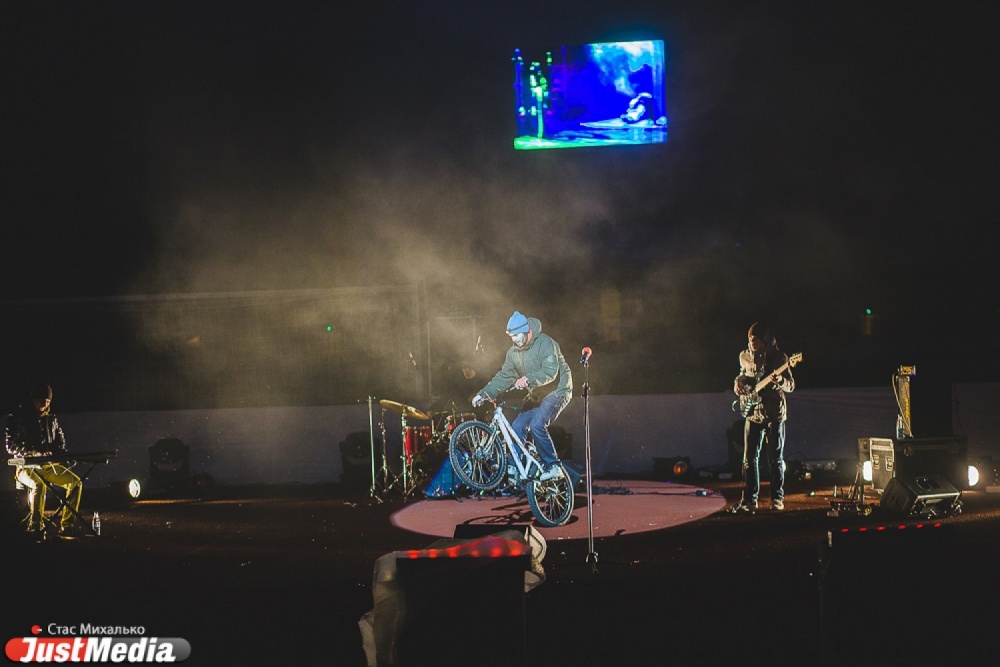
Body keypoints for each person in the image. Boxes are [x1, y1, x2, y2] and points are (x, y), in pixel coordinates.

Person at [472, 311, 572, 481]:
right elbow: (504, 376)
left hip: (558, 391)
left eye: (517, 335)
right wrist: (484, 394)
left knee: (537, 424)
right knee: (517, 424)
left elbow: (550, 372)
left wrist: (529, 379)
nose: (515, 340)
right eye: (512, 337)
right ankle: (514, 465)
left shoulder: (546, 343)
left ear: (527, 331)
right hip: (537, 395)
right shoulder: (513, 353)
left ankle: (553, 465)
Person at [730, 322, 795, 513]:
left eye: (755, 339)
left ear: (764, 340)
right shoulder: (744, 356)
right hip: (753, 412)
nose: (752, 343)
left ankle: (777, 499)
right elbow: (743, 375)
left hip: (774, 413)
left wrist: (780, 381)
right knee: (749, 459)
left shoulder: (779, 357)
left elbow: (791, 385)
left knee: (775, 459)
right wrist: (737, 382)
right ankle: (750, 500)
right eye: (750, 339)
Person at [5, 383, 83, 537]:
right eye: (41, 400)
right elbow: (11, 446)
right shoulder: (17, 417)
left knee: (75, 483)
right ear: (32, 400)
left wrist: (62, 453)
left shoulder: (51, 420)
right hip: (26, 467)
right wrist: (35, 452)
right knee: (38, 485)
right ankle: (36, 527)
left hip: (49, 466)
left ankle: (67, 525)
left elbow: (59, 443)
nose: (44, 404)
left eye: (47, 401)